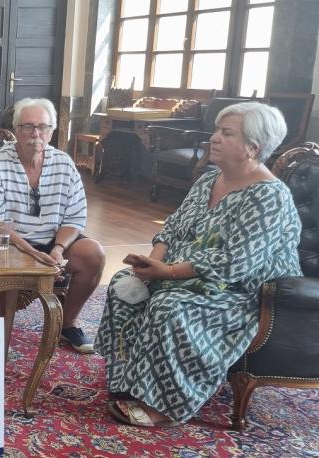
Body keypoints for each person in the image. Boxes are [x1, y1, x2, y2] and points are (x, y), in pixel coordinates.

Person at [95, 102, 302, 427]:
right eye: (218, 130)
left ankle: (164, 407)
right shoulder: (209, 180)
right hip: (190, 274)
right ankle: (128, 382)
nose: (214, 137)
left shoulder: (269, 196)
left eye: (226, 133)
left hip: (241, 293)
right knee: (124, 286)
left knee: (169, 306)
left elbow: (235, 263)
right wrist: (150, 266)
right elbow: (173, 227)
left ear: (253, 147)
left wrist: (168, 273)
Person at [0, 97, 105, 353]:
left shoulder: (64, 163)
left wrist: (57, 249)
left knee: (93, 254)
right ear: (16, 130)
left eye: (42, 127)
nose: (35, 133)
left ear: (51, 131)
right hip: (11, 244)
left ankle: (67, 324)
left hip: (53, 241)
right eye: (27, 126)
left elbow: (74, 218)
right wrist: (33, 254)